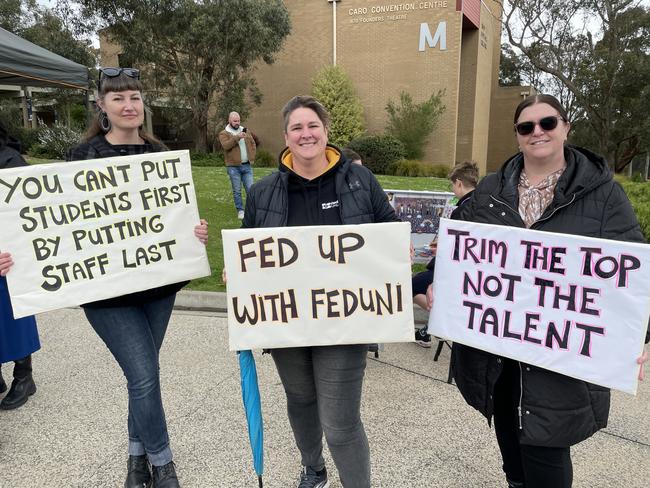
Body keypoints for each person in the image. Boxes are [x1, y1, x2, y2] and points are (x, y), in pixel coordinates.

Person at [1, 68, 209, 488]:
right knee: (145, 375)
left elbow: (170, 214)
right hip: (106, 293)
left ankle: (136, 461)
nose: (129, 105)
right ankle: (163, 465)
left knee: (143, 374)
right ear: (102, 106)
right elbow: (54, 226)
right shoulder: (82, 157)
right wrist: (17, 258)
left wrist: (194, 232)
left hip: (159, 285)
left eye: (134, 97)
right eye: (119, 99)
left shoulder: (159, 154)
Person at [445, 94, 649, 488]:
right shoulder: (489, 191)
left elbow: (632, 275)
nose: (537, 132)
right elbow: (459, 256)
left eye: (547, 123)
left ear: (565, 127)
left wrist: (634, 336)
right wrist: (443, 288)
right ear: (518, 136)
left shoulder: (604, 196)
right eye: (526, 127)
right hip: (498, 355)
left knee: (546, 449)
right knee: (510, 446)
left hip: (559, 355)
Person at [242, 95, 399, 488]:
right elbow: (249, 253)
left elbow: (391, 232)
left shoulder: (360, 181)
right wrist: (238, 274)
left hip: (345, 322)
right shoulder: (262, 193)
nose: (305, 133)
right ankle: (313, 468)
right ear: (286, 136)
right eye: (297, 127)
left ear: (326, 132)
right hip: (287, 324)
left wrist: (400, 251)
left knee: (340, 424)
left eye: (312, 126)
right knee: (300, 402)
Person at [413, 161, 478, 347]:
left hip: (454, 272)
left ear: (458, 183)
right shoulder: (480, 203)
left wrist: (438, 250)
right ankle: (432, 327)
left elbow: (455, 247)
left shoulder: (462, 210)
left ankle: (440, 321)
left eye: (452, 185)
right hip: (470, 272)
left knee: (412, 284)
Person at [0, 123, 40, 410]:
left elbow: (28, 214)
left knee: (13, 315)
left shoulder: (10, 161)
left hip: (8, 256)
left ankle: (23, 375)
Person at [219, 111, 256, 219]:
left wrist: (252, 155)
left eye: (238, 120)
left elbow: (253, 143)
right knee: (237, 190)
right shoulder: (224, 133)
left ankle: (252, 210)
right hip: (233, 167)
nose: (237, 122)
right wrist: (237, 137)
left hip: (247, 166)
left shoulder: (245, 130)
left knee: (251, 189)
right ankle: (240, 210)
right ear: (229, 120)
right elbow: (226, 146)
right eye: (235, 121)